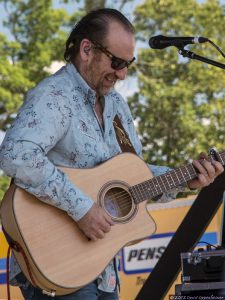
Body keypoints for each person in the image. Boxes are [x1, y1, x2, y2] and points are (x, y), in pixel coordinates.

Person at [0, 8, 223, 300]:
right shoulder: (54, 96)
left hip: (103, 270)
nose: (122, 73)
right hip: (61, 265)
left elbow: (133, 176)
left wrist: (185, 178)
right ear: (87, 49)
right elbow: (16, 154)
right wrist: (82, 208)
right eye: (116, 62)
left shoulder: (117, 105)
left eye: (128, 63)